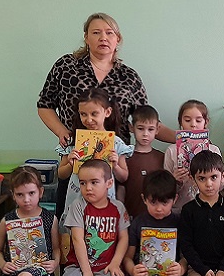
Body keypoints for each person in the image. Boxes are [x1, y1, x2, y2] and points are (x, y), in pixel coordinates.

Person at [37, 13, 172, 217]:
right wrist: (62, 132)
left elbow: (146, 122)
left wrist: (184, 137)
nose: (103, 38)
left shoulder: (129, 76)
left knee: (109, 221)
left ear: (118, 39)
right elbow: (44, 105)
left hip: (113, 162)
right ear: (86, 37)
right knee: (73, 219)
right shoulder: (66, 66)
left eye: (109, 33)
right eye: (96, 32)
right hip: (76, 158)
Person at [57, 87, 132, 223]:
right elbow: (61, 174)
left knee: (101, 231)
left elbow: (124, 177)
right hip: (77, 199)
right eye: (83, 114)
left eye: (94, 114)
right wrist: (70, 164)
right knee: (75, 231)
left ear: (107, 112)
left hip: (104, 202)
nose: (89, 119)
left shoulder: (115, 143)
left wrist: (115, 166)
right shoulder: (73, 141)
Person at [164, 100, 222, 211]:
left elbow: (221, 184)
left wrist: (215, 179)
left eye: (198, 120)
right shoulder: (171, 151)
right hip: (179, 209)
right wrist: (174, 180)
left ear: (206, 122)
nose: (193, 124)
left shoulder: (213, 150)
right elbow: (164, 189)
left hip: (207, 208)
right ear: (180, 122)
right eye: (187, 120)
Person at [124, 105, 165, 219]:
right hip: (130, 216)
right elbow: (121, 187)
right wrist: (121, 209)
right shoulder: (125, 156)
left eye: (150, 129)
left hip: (155, 217)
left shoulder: (162, 157)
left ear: (157, 129)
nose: (145, 134)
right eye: (140, 128)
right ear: (132, 128)